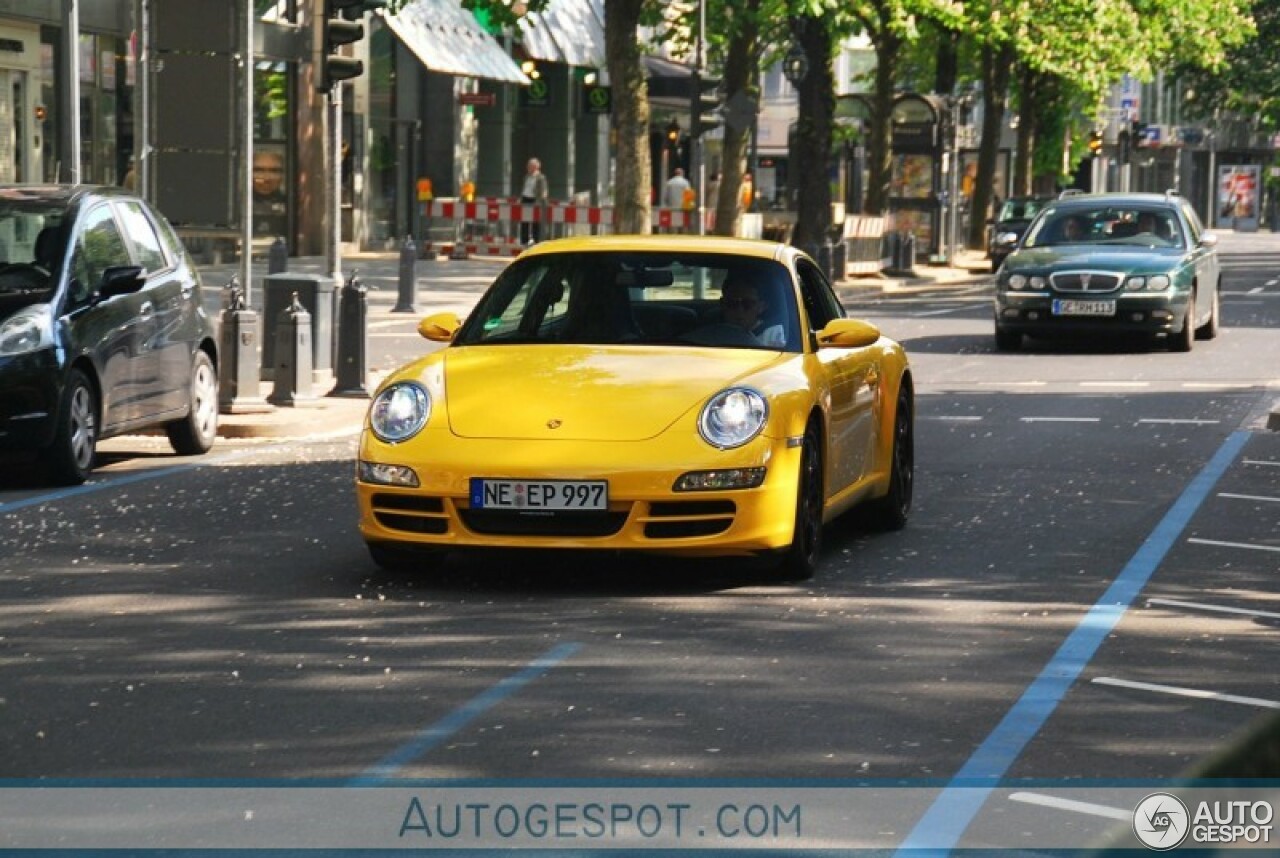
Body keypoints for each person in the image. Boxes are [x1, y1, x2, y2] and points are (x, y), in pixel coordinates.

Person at [719, 276, 786, 348]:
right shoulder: (713, 332)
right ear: (722, 304)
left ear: (761, 307)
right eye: (732, 303)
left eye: (748, 304)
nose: (739, 310)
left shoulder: (774, 334)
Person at [252, 149, 288, 238]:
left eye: (274, 171)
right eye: (259, 170)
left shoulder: (292, 205)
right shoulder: (235, 205)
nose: (266, 178)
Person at [520, 157, 549, 245]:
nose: (528, 168)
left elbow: (543, 190)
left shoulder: (540, 177)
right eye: (528, 166)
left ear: (536, 167)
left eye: (530, 166)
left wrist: (541, 199)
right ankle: (524, 240)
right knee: (524, 221)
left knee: (535, 221)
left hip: (534, 200)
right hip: (526, 198)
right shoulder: (526, 177)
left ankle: (536, 240)